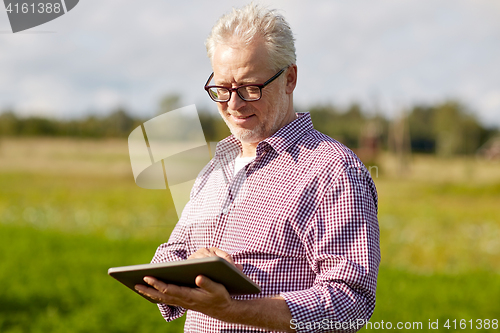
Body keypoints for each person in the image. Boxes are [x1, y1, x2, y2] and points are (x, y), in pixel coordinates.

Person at [135, 3, 380, 333]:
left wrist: (235, 309)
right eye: (222, 89)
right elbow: (172, 251)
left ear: (290, 78)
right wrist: (185, 271)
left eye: (250, 87)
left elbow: (351, 301)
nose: (234, 104)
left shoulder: (334, 172)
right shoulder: (215, 168)